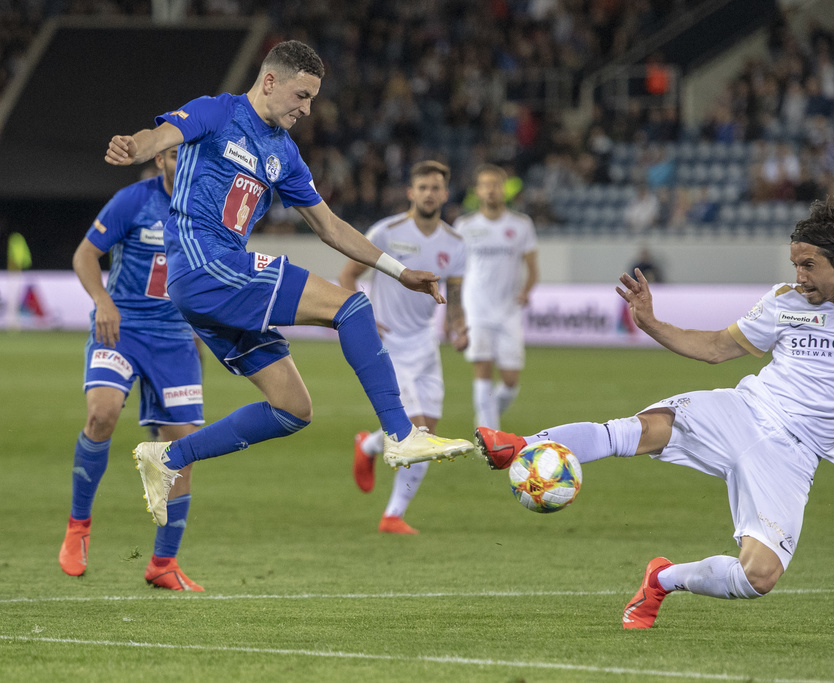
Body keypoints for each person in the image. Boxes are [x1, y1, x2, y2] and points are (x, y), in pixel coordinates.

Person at [476, 196, 834, 629]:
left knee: (759, 577)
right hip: (747, 410)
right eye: (794, 264)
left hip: (795, 456)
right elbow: (716, 348)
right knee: (645, 430)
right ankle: (520, 446)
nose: (798, 276)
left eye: (808, 265)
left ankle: (662, 579)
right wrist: (650, 323)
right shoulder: (784, 302)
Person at [104, 40, 475, 528]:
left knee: (293, 408)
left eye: (313, 99)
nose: (306, 108)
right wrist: (134, 148)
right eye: (302, 95)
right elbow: (160, 138)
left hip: (219, 285)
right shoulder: (217, 112)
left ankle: (168, 458)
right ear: (271, 80)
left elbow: (331, 227)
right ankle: (402, 435)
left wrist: (400, 272)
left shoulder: (285, 154)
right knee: (351, 307)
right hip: (203, 265)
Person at [59, 148, 205, 590]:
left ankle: (163, 563)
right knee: (101, 414)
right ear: (160, 158)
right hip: (121, 327)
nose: (185, 164)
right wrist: (103, 301)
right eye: (177, 156)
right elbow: (85, 255)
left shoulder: (210, 206)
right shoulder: (132, 201)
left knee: (182, 449)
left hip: (176, 340)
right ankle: (78, 527)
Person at [339, 161, 467, 534]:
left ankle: (370, 448)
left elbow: (454, 294)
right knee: (419, 429)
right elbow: (348, 274)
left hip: (426, 343)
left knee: (425, 434)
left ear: (445, 193)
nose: (429, 193)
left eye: (436, 187)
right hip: (389, 340)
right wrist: (360, 318)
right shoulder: (386, 231)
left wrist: (459, 326)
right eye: (422, 187)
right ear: (411, 192)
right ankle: (392, 514)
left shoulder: (456, 244)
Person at [453, 164, 539, 430]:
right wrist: (455, 315)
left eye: (496, 184)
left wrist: (525, 292)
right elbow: (455, 273)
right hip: (476, 309)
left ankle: (485, 419)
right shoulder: (465, 225)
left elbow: (533, 270)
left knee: (511, 380)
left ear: (504, 189)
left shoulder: (521, 225)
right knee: (483, 371)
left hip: (508, 311)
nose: (491, 190)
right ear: (478, 191)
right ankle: (489, 436)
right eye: (485, 185)